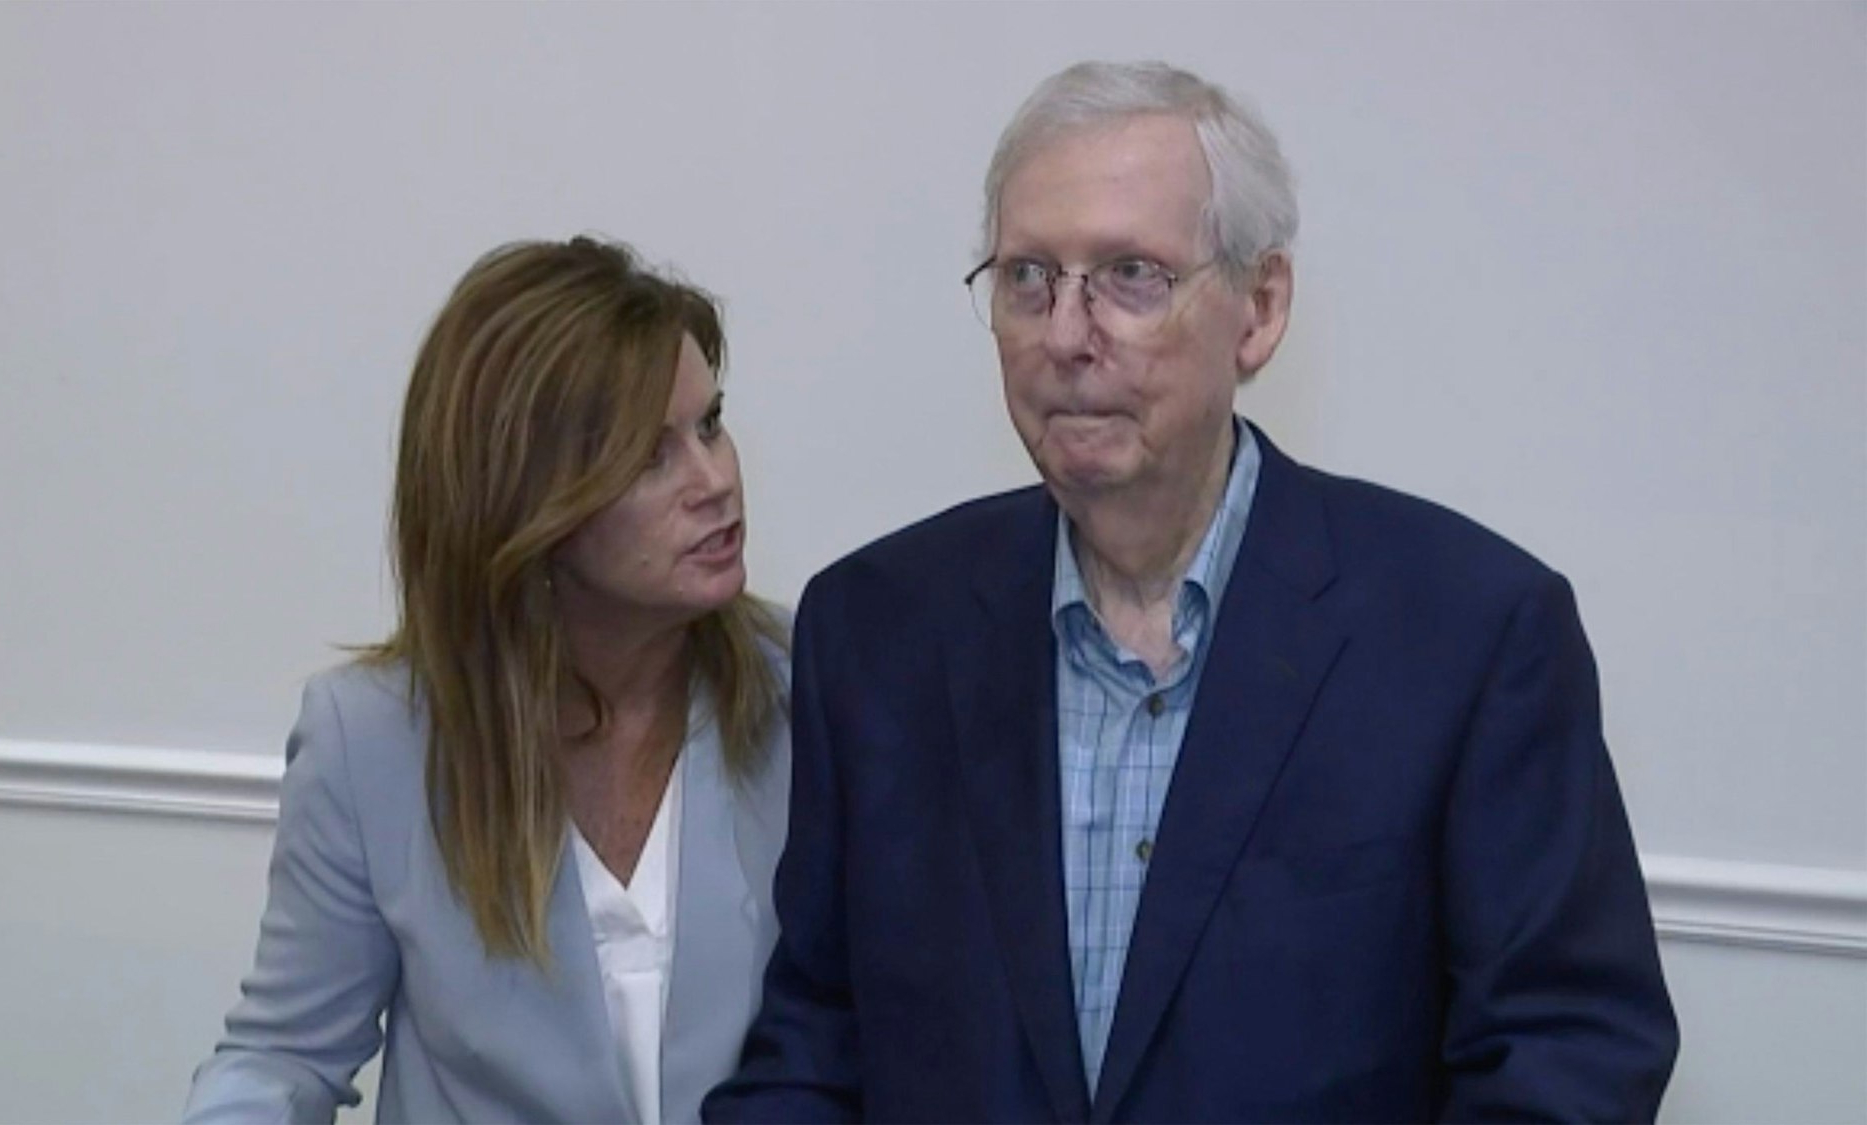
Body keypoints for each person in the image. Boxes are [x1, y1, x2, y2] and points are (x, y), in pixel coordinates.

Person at [706, 61, 1677, 1122]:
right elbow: (814, 1036)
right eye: (1028, 277)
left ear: (1257, 310)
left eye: (1129, 274)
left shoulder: (1469, 631)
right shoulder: (878, 624)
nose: (1066, 336)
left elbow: (1566, 1055)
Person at [185, 236, 790, 1124]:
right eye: (650, 457)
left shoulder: (807, 689)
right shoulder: (373, 737)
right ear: (526, 503)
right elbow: (281, 1058)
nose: (716, 481)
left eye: (711, 424)